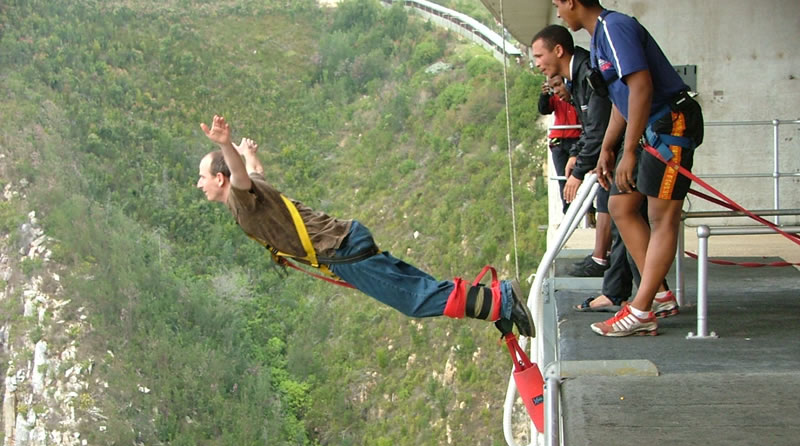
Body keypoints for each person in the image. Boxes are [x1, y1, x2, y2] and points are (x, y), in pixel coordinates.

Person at [197, 115, 534, 337]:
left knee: (414, 299)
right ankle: (493, 306)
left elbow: (243, 176)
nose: (200, 185)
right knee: (417, 286)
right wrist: (247, 151)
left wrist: (227, 145)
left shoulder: (240, 198)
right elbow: (255, 171)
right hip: (345, 243)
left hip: (341, 250)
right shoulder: (254, 195)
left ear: (219, 177)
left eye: (203, 178)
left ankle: (503, 300)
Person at [552, 0, 703, 336]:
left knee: (662, 218)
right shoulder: (598, 37)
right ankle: (659, 294)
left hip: (669, 125)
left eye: (557, 4)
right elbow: (623, 98)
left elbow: (642, 87)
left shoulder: (614, 28)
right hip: (649, 128)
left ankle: (641, 310)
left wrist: (630, 151)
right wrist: (608, 147)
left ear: (572, 2)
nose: (558, 13)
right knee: (620, 205)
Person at [532, 25, 612, 278]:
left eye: (538, 56)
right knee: (614, 207)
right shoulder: (578, 77)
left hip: (619, 151)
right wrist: (577, 155)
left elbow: (597, 126)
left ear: (558, 50)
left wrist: (578, 169)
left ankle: (610, 271)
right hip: (595, 150)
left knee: (618, 208)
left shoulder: (586, 73)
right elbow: (590, 126)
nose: (537, 64)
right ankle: (612, 279)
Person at [537, 74, 581, 214]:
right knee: (563, 178)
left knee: (577, 176)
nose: (556, 90)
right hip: (559, 140)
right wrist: (544, 96)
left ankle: (587, 210)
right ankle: (568, 211)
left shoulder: (578, 96)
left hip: (577, 139)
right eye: (553, 87)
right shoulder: (555, 97)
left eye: (558, 85)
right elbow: (545, 109)